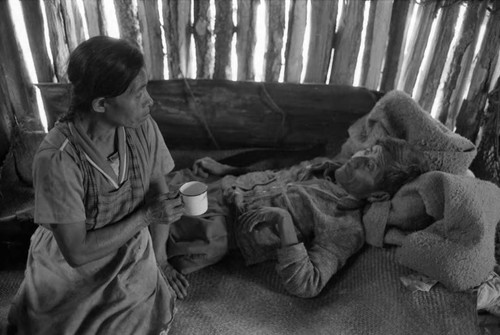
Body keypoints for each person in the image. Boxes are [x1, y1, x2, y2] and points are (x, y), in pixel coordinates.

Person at [8, 36, 187, 335]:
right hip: (72, 265)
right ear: (101, 103)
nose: (150, 101)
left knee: (136, 315)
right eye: (138, 93)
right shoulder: (58, 159)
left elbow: (159, 193)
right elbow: (76, 252)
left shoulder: (142, 128)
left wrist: (160, 261)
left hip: (129, 251)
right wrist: (146, 217)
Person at [165, 137, 429, 298]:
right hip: (219, 185)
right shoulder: (322, 164)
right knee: (146, 189)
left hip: (222, 227)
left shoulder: (345, 226)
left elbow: (308, 284)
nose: (360, 157)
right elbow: (278, 174)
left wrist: (285, 225)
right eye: (369, 150)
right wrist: (227, 169)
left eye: (371, 165)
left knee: (148, 230)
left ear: (378, 196)